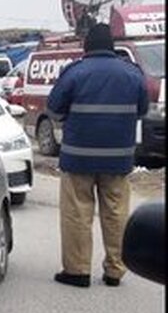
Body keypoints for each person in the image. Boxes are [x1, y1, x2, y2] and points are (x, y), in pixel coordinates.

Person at [46, 22, 148, 288]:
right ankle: (115, 271)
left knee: (77, 214)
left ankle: (77, 272)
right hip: (118, 160)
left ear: (87, 47)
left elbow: (54, 111)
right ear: (113, 47)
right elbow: (142, 111)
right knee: (116, 214)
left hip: (78, 159)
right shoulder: (133, 74)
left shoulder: (74, 73)